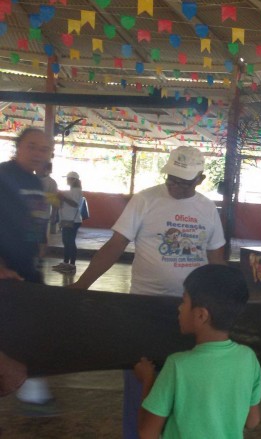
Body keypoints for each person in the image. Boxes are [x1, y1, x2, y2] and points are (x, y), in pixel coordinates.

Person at [71, 145, 226, 439]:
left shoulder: (207, 208)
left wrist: (222, 306)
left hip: (191, 312)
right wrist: (81, 285)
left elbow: (216, 259)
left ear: (200, 179)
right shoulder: (145, 200)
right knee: (141, 377)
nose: (175, 186)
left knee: (184, 381)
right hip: (143, 309)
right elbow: (114, 246)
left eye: (184, 182)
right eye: (171, 179)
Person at [133, 264, 261, 439]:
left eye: (184, 301)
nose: (179, 308)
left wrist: (147, 380)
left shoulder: (177, 365)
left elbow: (147, 433)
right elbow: (252, 421)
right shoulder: (248, 358)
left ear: (201, 315)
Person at [0, 127, 57, 414]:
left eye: (44, 149)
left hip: (28, 268)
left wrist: (39, 244)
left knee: (31, 326)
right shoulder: (3, 176)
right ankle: (32, 389)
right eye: (32, 146)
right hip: (6, 271)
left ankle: (31, 386)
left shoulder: (36, 182)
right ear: (18, 147)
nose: (37, 153)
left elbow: (32, 219)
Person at [53, 171, 84, 274]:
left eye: (69, 178)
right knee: (66, 242)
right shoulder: (70, 191)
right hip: (67, 220)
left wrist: (63, 198)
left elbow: (75, 204)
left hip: (73, 221)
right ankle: (66, 263)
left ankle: (72, 265)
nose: (67, 180)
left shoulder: (77, 191)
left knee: (70, 242)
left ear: (74, 180)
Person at [38, 161, 59, 255]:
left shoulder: (52, 183)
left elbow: (54, 201)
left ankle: (40, 256)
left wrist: (54, 215)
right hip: (30, 215)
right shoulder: (31, 180)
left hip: (43, 215)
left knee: (42, 237)